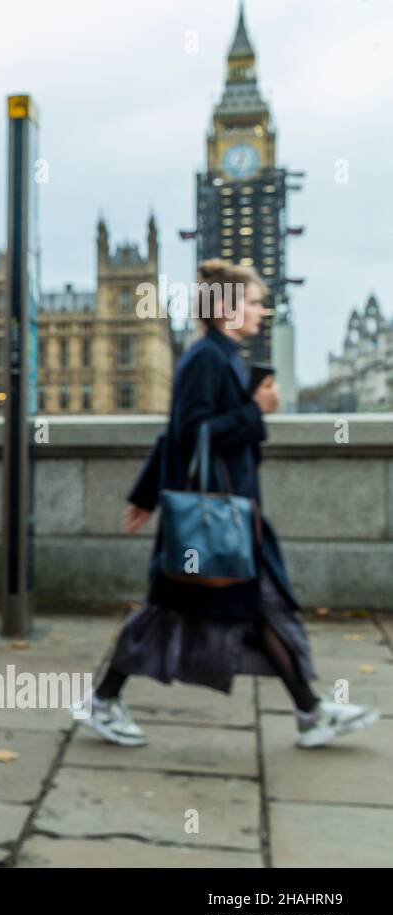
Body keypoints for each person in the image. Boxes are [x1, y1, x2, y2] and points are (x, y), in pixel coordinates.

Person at [81, 260, 380, 749]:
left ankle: (310, 711)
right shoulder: (206, 359)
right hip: (215, 521)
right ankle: (103, 700)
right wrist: (254, 411)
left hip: (228, 518)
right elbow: (190, 434)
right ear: (226, 307)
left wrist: (145, 495)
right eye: (255, 301)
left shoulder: (220, 356)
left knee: (251, 608)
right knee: (188, 609)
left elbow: (178, 436)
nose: (262, 310)